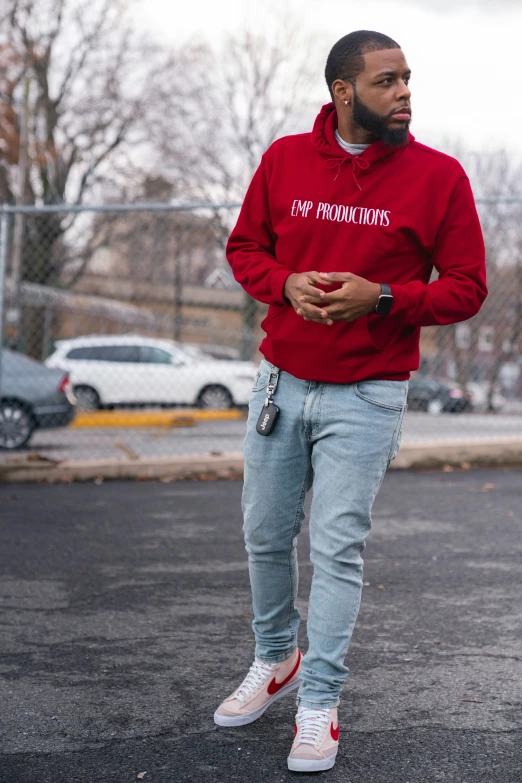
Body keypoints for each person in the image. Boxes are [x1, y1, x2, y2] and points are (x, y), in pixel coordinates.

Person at [214, 30, 487, 773]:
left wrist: (387, 297)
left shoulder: (440, 177)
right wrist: (284, 283)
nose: (404, 93)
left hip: (368, 393)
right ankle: (277, 661)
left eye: (408, 80)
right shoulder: (284, 160)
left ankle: (319, 703)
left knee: (336, 547)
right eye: (388, 81)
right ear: (343, 92)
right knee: (265, 534)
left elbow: (467, 285)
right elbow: (245, 249)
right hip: (280, 381)